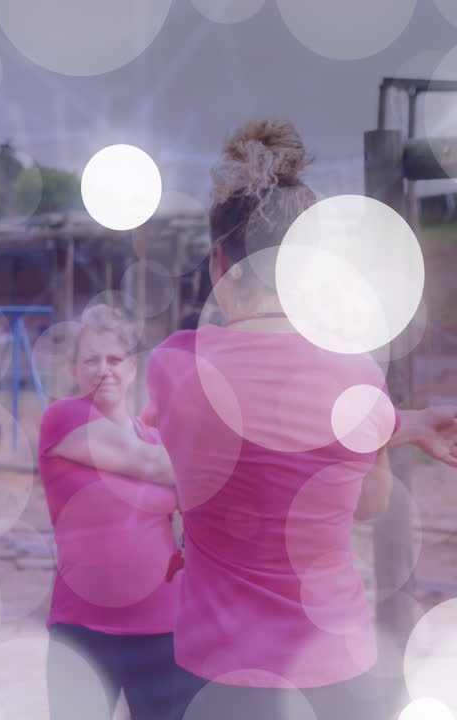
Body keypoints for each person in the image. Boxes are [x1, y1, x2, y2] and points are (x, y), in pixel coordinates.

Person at [141, 119, 457, 719]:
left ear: (217, 263)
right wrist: (391, 426)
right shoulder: (358, 377)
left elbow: (226, 434)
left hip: (216, 676)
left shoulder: (173, 368)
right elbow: (367, 502)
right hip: (336, 675)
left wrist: (399, 421)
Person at [36, 303, 188, 720]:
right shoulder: (63, 418)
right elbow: (155, 466)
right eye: (91, 360)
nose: (104, 369)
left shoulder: (153, 435)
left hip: (163, 629)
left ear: (132, 369)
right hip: (83, 633)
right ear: (73, 371)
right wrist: (206, 464)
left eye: (114, 359)